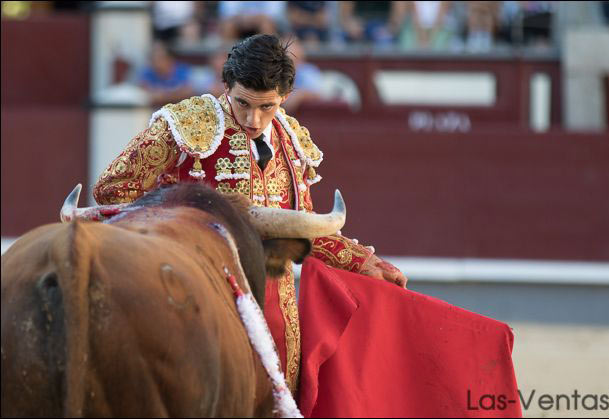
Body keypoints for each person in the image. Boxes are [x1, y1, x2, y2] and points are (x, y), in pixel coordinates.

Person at [93, 34, 407, 393]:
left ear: (285, 97)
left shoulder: (291, 140)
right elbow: (112, 189)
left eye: (267, 107)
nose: (253, 119)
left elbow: (304, 225)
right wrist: (185, 221)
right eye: (242, 103)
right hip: (196, 290)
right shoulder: (186, 124)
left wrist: (364, 262)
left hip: (274, 301)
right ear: (226, 85)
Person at [138, 41, 194, 106]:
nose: (156, 63)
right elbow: (143, 94)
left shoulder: (182, 70)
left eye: (160, 58)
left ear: (169, 58)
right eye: (153, 59)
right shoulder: (148, 72)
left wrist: (165, 96)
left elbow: (189, 92)